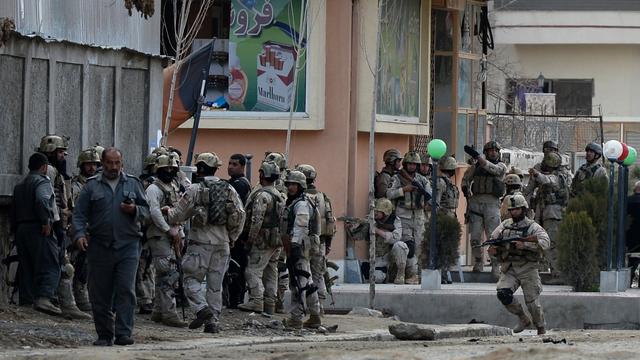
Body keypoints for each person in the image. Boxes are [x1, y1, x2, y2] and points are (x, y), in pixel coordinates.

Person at [73, 148, 149, 346]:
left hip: (128, 245)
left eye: (117, 163)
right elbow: (79, 215)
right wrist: (79, 235)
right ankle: (105, 335)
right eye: (109, 163)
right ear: (102, 163)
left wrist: (135, 210)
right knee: (100, 293)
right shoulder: (91, 187)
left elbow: (148, 212)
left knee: (125, 289)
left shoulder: (133, 183)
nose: (113, 167)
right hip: (99, 246)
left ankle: (124, 333)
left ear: (122, 163)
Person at [164, 152, 245, 334]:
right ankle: (212, 322)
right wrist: (232, 238)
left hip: (200, 243)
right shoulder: (229, 189)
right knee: (215, 286)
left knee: (190, 280)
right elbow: (240, 215)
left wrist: (167, 211)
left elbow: (178, 214)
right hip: (223, 243)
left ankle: (202, 309)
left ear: (199, 168)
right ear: (216, 168)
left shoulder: (195, 189)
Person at [488, 194, 550, 335]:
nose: (514, 212)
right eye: (512, 210)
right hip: (510, 267)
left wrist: (526, 245)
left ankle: (540, 328)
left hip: (528, 267)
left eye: (517, 209)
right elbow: (493, 239)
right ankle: (522, 318)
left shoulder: (532, 226)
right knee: (503, 293)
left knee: (533, 303)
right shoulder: (505, 225)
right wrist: (493, 249)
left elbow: (546, 242)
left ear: (523, 209)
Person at [11, 153, 60, 314]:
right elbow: (41, 200)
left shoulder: (20, 184)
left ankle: (27, 300)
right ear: (44, 167)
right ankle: (44, 298)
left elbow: (14, 208)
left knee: (26, 266)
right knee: (50, 263)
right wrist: (46, 221)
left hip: (21, 229)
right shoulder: (42, 181)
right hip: (38, 228)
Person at [238, 161, 285, 314]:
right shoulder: (279, 194)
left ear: (262, 174)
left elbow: (256, 220)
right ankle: (270, 303)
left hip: (262, 240)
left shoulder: (262, 195)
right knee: (271, 271)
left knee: (252, 271)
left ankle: (257, 301)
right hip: (277, 240)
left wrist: (249, 240)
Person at [145, 154, 187, 327]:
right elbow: (154, 212)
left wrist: (179, 231)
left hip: (174, 234)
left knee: (168, 273)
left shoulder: (174, 186)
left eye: (172, 168)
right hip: (160, 235)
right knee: (167, 273)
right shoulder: (153, 189)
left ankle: (158, 311)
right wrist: (168, 229)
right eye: (166, 168)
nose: (169, 171)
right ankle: (169, 313)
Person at [282, 170, 322, 329]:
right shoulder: (297, 201)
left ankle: (296, 319)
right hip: (300, 247)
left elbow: (301, 226)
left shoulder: (301, 204)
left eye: (294, 184)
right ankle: (315, 315)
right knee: (308, 282)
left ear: (301, 186)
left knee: (298, 283)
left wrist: (295, 246)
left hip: (299, 247)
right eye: (289, 184)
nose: (290, 187)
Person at [296, 164, 336, 313]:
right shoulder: (323, 197)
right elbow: (330, 221)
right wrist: (329, 243)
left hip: (304, 243)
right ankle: (320, 308)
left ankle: (306, 308)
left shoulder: (301, 198)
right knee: (319, 275)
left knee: (304, 274)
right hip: (321, 242)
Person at [66, 149, 102, 317]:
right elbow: (74, 210)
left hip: (95, 231)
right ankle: (78, 298)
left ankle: (86, 296)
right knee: (77, 264)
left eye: (95, 164)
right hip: (79, 230)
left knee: (90, 267)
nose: (92, 168)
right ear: (82, 165)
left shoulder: (98, 185)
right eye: (88, 164)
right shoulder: (76, 186)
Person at [386, 151, 431, 284]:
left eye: (414, 164)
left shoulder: (422, 179)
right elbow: (388, 194)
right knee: (406, 246)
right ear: (405, 164)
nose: (412, 166)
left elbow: (430, 195)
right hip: (403, 216)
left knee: (420, 247)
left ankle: (418, 275)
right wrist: (403, 190)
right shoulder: (397, 178)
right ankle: (402, 273)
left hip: (418, 217)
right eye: (409, 164)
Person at [462, 141, 507, 274]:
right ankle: (478, 261)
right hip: (476, 203)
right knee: (475, 236)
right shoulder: (476, 166)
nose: (493, 153)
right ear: (486, 153)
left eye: (495, 151)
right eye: (490, 151)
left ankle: (495, 263)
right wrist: (465, 188)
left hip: (492, 204)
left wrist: (478, 157)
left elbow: (492, 169)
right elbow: (466, 178)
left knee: (493, 235)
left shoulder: (501, 166)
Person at [528, 152, 568, 281]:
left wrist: (536, 174)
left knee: (552, 244)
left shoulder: (558, 177)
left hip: (553, 215)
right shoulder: (553, 175)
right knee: (544, 243)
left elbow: (546, 179)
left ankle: (558, 273)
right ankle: (553, 271)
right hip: (546, 213)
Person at [225, 153, 252, 308]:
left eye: (234, 164)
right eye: (229, 163)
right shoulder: (235, 183)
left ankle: (235, 300)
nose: (230, 167)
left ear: (242, 166)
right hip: (237, 233)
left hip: (237, 234)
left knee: (236, 267)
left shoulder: (240, 185)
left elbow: (237, 211)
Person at [368, 198, 404, 284]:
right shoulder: (372, 220)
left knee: (400, 245)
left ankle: (400, 274)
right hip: (379, 258)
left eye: (378, 211)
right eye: (375, 211)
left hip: (391, 256)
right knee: (376, 278)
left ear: (385, 212)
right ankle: (386, 275)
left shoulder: (395, 220)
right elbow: (359, 235)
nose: (375, 213)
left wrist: (377, 230)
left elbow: (396, 237)